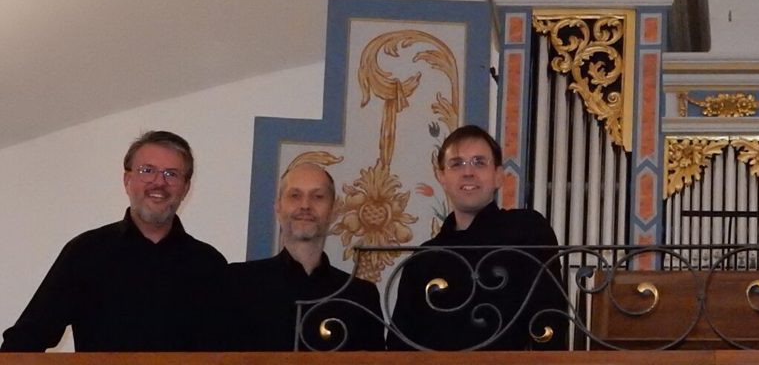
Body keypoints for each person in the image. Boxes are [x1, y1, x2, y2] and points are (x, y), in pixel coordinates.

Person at [1, 130, 227, 352]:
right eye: (147, 170)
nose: (159, 182)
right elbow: (26, 340)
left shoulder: (209, 263)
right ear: (127, 180)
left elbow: (227, 347)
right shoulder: (85, 252)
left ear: (185, 188)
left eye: (172, 174)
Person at [387, 124, 567, 350]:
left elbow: (550, 318)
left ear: (498, 176)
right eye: (457, 164)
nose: (468, 172)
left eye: (479, 162)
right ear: (441, 177)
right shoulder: (423, 259)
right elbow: (400, 346)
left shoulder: (527, 231)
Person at [224, 155, 384, 351]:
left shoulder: (360, 296)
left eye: (318, 197)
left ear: (334, 210)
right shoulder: (237, 283)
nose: (305, 205)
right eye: (295, 195)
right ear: (278, 207)